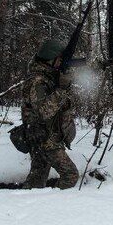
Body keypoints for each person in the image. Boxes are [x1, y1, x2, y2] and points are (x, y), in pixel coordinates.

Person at [20, 39, 79, 189]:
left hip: (45, 136)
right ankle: (54, 207)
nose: (60, 63)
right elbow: (43, 112)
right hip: (45, 139)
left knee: (36, 180)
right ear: (50, 60)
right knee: (70, 175)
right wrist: (61, 90)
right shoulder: (37, 81)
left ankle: (27, 206)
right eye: (59, 60)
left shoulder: (49, 77)